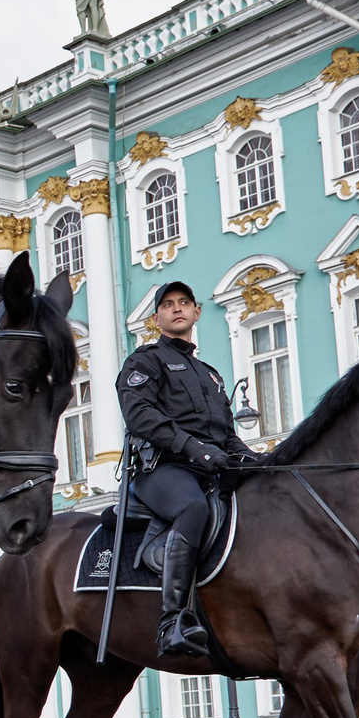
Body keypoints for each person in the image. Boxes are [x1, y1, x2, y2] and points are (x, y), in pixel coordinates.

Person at [117, 280, 260, 660]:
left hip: (209, 468)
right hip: (164, 469)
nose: (176, 309)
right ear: (156, 318)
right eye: (167, 304)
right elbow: (140, 415)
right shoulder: (145, 361)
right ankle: (172, 621)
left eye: (184, 303)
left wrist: (254, 460)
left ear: (197, 312)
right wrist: (193, 448)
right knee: (191, 508)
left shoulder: (210, 375)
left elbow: (227, 434)